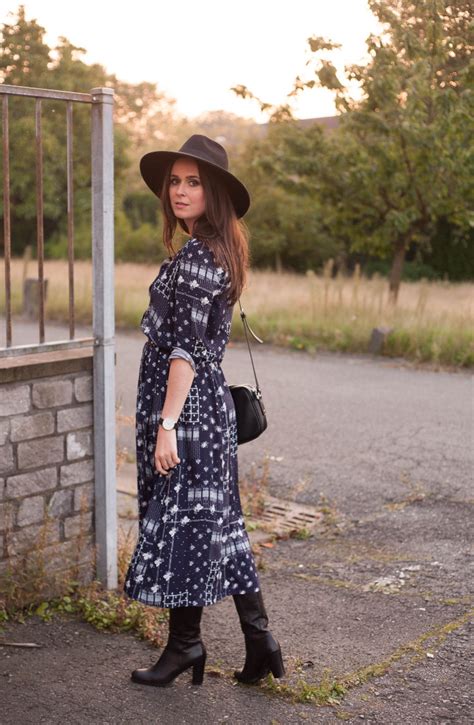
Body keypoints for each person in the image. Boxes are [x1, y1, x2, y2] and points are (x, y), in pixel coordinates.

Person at [123, 134, 285, 688]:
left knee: (186, 526)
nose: (180, 191)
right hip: (207, 413)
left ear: (213, 191)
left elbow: (186, 351)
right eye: (175, 181)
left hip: (188, 416)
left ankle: (186, 647)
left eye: (193, 182)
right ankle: (260, 640)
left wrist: (166, 425)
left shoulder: (197, 257)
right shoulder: (218, 249)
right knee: (219, 524)